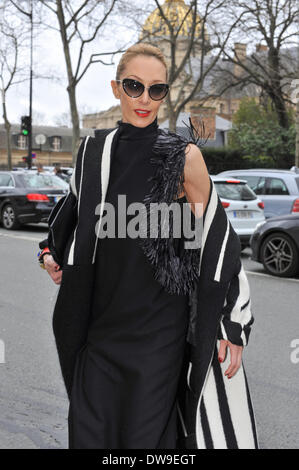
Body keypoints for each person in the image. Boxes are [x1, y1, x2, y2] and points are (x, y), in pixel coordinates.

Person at [37, 43, 258, 449]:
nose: (144, 99)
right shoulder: (92, 151)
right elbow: (70, 214)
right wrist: (50, 251)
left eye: (156, 90)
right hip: (99, 331)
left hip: (159, 335)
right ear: (116, 88)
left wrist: (231, 321)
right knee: (88, 437)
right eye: (134, 86)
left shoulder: (182, 155)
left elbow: (217, 237)